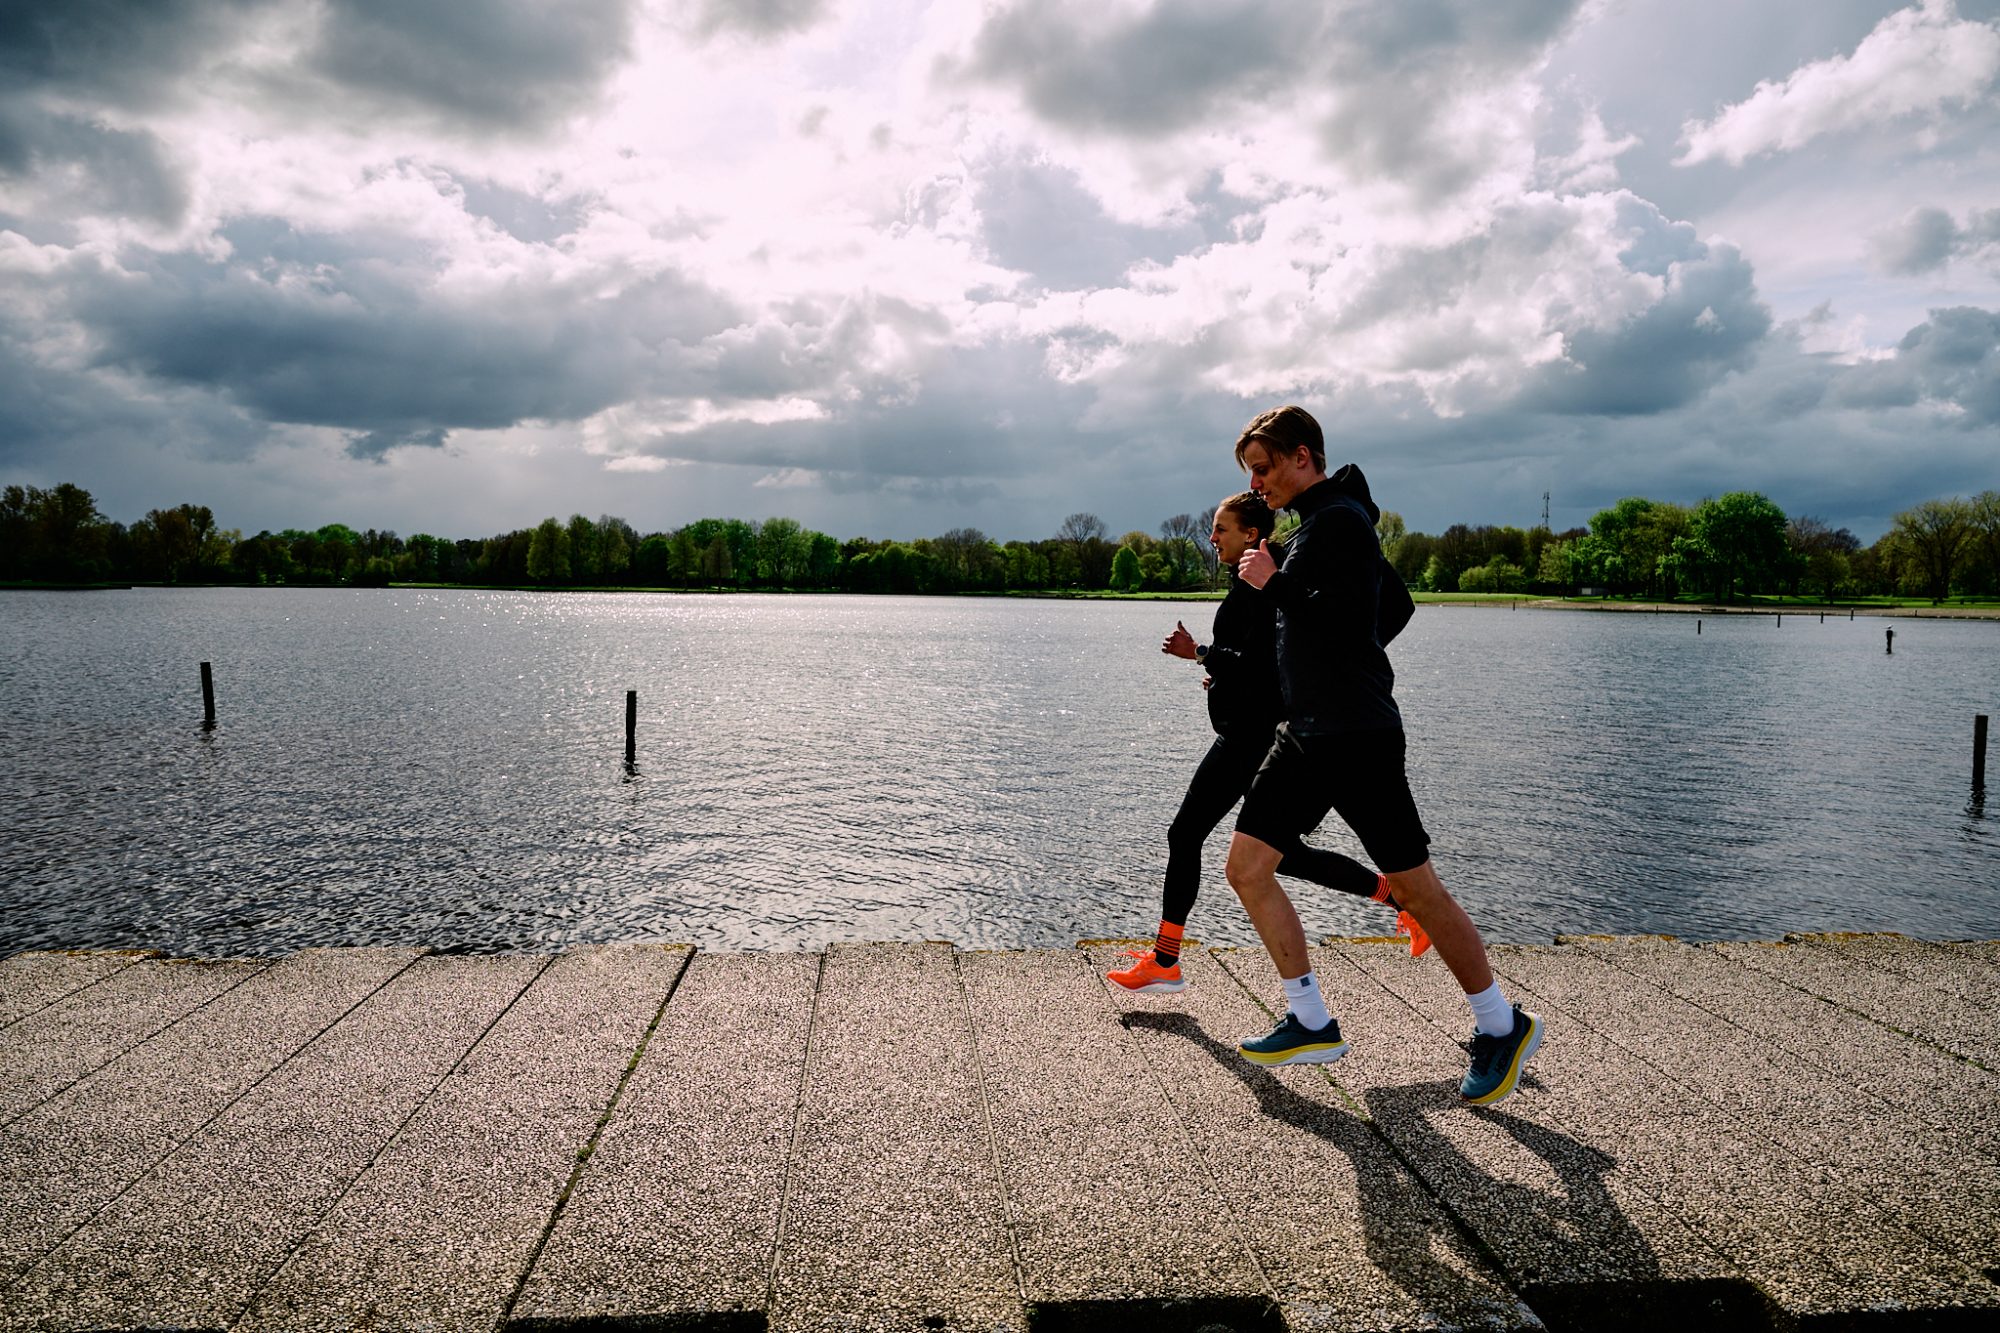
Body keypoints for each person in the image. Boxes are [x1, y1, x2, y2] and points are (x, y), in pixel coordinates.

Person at [1225, 405, 1543, 1105]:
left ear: (1302, 454)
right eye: (1249, 471)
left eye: (1264, 466)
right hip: (1309, 731)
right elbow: (1389, 607)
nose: (1256, 483)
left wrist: (1273, 587)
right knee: (1247, 867)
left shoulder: (1338, 521)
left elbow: (1342, 617)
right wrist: (1331, 658)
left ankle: (1502, 1024)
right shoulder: (1326, 524)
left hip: (1357, 736)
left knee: (1416, 889)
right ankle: (1309, 1017)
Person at [1107, 491, 1428, 997]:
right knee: (1266, 852)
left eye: (1221, 530)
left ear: (1251, 535)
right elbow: (1262, 662)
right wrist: (1220, 670)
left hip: (1255, 740)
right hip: (1245, 732)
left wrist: (1203, 654)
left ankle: (1167, 960)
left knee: (1193, 835)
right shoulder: (1253, 579)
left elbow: (1264, 663)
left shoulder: (1268, 580)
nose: (1212, 538)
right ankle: (1399, 903)